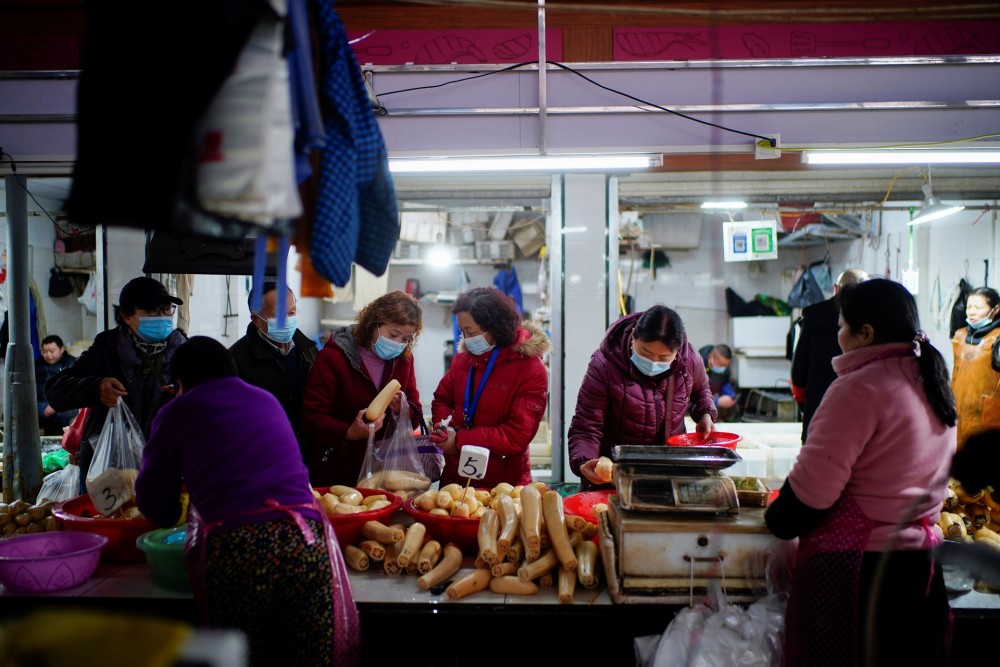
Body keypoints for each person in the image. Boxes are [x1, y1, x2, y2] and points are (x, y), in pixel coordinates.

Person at [135, 336, 359, 667]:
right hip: (306, 540)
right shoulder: (265, 400)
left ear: (180, 382)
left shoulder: (176, 411)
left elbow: (156, 506)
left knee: (246, 657)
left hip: (238, 548)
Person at [764, 278, 955, 666]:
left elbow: (811, 497)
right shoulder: (930, 381)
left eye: (841, 325)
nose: (837, 333)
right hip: (920, 572)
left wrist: (776, 517)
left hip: (860, 578)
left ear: (865, 333)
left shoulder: (859, 387)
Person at [45, 276, 187, 494]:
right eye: (151, 310)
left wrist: (189, 394)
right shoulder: (107, 349)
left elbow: (212, 397)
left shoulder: (185, 352)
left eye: (166, 309)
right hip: (108, 469)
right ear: (126, 316)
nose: (162, 317)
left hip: (166, 464)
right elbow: (55, 390)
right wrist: (95, 388)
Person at [568, 305, 718, 491]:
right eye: (645, 353)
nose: (653, 362)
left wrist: (706, 414)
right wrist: (585, 461)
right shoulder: (604, 365)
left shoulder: (689, 360)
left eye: (663, 357)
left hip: (668, 473)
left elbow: (701, 390)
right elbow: (587, 425)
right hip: (616, 477)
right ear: (633, 336)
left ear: (677, 351)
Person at [429, 286, 550, 489]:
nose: (466, 339)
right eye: (463, 332)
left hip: (504, 483)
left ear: (495, 327)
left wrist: (459, 440)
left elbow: (516, 435)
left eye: (471, 332)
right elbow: (442, 398)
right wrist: (443, 429)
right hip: (456, 479)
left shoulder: (530, 369)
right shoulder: (464, 358)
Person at [300, 290, 424, 487]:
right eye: (393, 334)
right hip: (337, 468)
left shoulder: (403, 361)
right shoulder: (333, 358)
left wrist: (402, 409)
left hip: (383, 471)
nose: (398, 343)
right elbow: (311, 418)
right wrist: (349, 432)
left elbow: (416, 416)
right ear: (373, 323)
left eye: (406, 338)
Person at [229, 281, 318, 450]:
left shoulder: (309, 350)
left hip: (306, 451)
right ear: (256, 319)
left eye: (292, 313)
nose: (288, 320)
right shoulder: (235, 360)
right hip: (263, 454)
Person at [790, 267, 869, 443]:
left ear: (836, 288)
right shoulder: (872, 322)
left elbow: (799, 371)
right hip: (859, 418)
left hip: (819, 410)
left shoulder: (815, 316)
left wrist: (805, 402)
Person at [951, 286, 1000, 451]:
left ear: (995, 309)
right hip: (958, 411)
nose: (971, 312)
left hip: (989, 417)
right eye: (969, 307)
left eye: (978, 308)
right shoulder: (959, 336)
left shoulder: (997, 339)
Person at [35, 334, 79, 435]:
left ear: (61, 349)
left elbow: (74, 390)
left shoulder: (72, 364)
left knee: (66, 414)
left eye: (52, 351)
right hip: (40, 404)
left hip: (63, 405)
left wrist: (56, 404)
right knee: (27, 411)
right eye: (45, 352)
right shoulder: (37, 365)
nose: (48, 355)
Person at [698, 343, 738, 421]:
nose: (723, 368)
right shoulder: (698, 364)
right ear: (710, 358)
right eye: (720, 365)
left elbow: (724, 381)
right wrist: (717, 401)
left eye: (725, 366)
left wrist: (730, 394)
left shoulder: (724, 367)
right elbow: (692, 395)